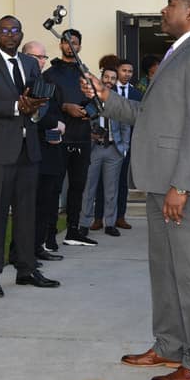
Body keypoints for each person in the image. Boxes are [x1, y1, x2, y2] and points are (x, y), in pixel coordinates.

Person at [82, 0, 190, 380]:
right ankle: (169, 345)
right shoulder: (179, 51)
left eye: (170, 4)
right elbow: (150, 115)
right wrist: (107, 97)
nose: (163, 10)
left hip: (184, 184)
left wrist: (181, 184)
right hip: (161, 180)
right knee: (165, 272)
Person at [0, 15, 59, 297]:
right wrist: (16, 107)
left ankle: (26, 269)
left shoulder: (28, 64)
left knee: (26, 214)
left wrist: (35, 109)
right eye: (4, 31)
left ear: (21, 34)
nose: (10, 35)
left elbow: (41, 100)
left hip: (29, 150)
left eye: (15, 30)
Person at [43, 30, 96, 247]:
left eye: (74, 42)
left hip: (82, 137)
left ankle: (73, 231)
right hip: (58, 139)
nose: (70, 46)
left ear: (80, 46)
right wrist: (65, 107)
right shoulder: (50, 75)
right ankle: (49, 234)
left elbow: (97, 103)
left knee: (78, 186)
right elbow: (44, 106)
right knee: (54, 187)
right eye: (66, 42)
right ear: (61, 45)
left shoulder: (86, 73)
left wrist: (88, 111)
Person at [23, 39, 66, 263]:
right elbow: (31, 114)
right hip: (33, 152)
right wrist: (52, 124)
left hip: (50, 150)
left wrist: (57, 125)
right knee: (32, 205)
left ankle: (38, 246)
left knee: (47, 203)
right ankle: (24, 251)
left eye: (43, 57)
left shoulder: (45, 79)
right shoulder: (24, 81)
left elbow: (53, 108)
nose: (42, 61)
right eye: (38, 57)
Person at [77, 66, 130, 238]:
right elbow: (82, 120)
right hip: (94, 149)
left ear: (116, 81)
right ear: (101, 78)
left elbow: (125, 126)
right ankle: (83, 224)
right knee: (88, 189)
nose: (109, 80)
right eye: (106, 77)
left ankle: (110, 224)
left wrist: (124, 149)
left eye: (112, 78)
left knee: (111, 190)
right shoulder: (90, 98)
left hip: (114, 150)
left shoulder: (118, 101)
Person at [111, 58, 141, 229]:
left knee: (122, 181)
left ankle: (120, 217)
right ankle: (100, 217)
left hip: (128, 145)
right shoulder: (109, 90)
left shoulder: (137, 94)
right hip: (109, 143)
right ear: (117, 71)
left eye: (130, 71)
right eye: (124, 70)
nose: (127, 74)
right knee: (104, 182)